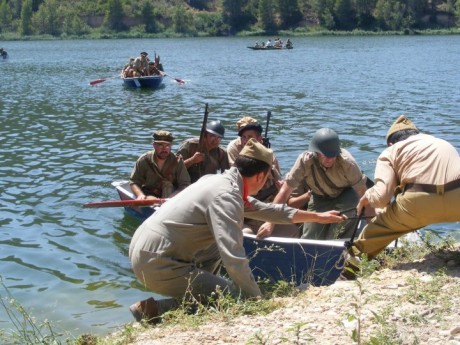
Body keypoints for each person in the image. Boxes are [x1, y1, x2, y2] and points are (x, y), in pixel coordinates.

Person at [128, 139, 348, 323]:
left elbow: (269, 210)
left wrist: (318, 216)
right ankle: (160, 309)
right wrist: (256, 301)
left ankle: (152, 309)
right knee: (232, 294)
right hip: (157, 262)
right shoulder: (226, 196)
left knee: (219, 258)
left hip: (145, 250)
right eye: (267, 178)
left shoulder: (219, 182)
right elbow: (233, 256)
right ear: (261, 176)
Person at [350, 115, 460, 259]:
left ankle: (353, 266)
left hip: (417, 205)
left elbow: (381, 197)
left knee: (375, 231)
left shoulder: (391, 151)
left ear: (391, 143)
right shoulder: (443, 143)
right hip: (457, 200)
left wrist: (366, 199)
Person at [258, 128, 370, 240]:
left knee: (335, 234)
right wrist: (270, 222)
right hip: (319, 197)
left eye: (333, 155)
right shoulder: (305, 161)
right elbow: (285, 192)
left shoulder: (348, 163)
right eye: (325, 155)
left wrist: (372, 225)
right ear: (316, 152)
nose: (329, 159)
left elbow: (363, 193)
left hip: (347, 195)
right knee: (309, 238)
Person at [227, 116, 299, 238]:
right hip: (246, 210)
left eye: (250, 137)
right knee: (246, 235)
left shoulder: (268, 153)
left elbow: (278, 180)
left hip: (266, 206)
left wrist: (279, 184)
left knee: (292, 231)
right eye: (243, 137)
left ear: (259, 139)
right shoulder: (234, 148)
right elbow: (239, 176)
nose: (245, 141)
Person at [129, 130, 191, 199]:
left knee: (168, 185)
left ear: (171, 146)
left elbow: (185, 184)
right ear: (154, 145)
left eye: (167, 145)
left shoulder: (177, 161)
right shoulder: (144, 160)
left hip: (171, 197)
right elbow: (134, 182)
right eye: (160, 145)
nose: (164, 149)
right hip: (150, 196)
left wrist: (171, 198)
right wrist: (140, 195)